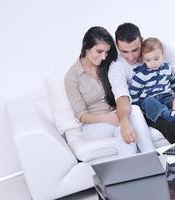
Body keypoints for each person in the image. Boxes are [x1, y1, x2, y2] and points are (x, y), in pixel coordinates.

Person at [64, 26, 155, 157]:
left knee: (122, 130)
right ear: (86, 46)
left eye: (106, 52)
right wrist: (107, 118)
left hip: (117, 115)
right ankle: (153, 158)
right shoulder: (72, 77)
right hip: (95, 125)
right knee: (133, 112)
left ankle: (135, 173)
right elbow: (81, 115)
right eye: (99, 51)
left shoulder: (110, 65)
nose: (103, 56)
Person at [129, 37, 175, 133]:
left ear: (163, 55)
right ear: (143, 59)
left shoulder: (167, 68)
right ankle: (166, 114)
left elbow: (173, 80)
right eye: (148, 60)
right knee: (149, 101)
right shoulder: (141, 75)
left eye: (156, 59)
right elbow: (134, 92)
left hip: (166, 96)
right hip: (149, 99)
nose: (152, 63)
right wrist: (137, 108)